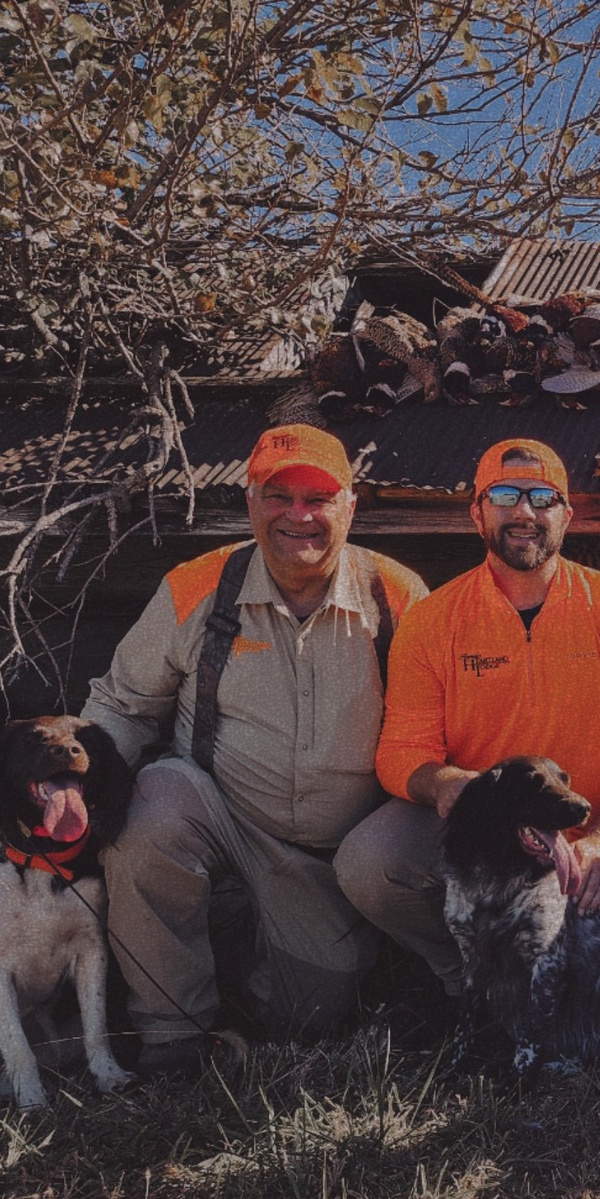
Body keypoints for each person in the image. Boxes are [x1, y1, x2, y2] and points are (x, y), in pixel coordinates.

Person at [85, 424, 428, 1065]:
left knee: (309, 1018)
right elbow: (121, 705)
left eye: (318, 498)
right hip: (219, 813)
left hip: (333, 857)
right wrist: (71, 792)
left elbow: (442, 731)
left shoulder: (399, 596)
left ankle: (247, 980)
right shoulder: (198, 586)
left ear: (350, 507)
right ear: (249, 503)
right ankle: (171, 1036)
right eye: (278, 496)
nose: (297, 516)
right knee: (148, 809)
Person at [334, 438, 600, 988]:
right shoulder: (434, 620)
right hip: (482, 841)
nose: (524, 512)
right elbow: (401, 750)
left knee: (599, 997)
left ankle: (525, 984)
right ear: (477, 512)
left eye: (542, 498)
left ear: (567, 515)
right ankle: (470, 977)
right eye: (504, 494)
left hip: (583, 850)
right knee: (368, 863)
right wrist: (444, 783)